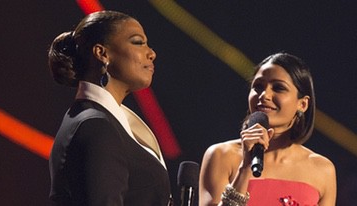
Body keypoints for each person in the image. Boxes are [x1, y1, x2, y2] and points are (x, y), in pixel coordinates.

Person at [47, 10, 172, 205]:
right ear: (102, 53)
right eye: (138, 42)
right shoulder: (96, 126)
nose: (151, 53)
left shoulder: (102, 120)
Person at [199, 52, 336, 206]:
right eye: (258, 86)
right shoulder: (221, 155)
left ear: (302, 104)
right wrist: (245, 168)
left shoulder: (322, 169)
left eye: (278, 88)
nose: (264, 95)